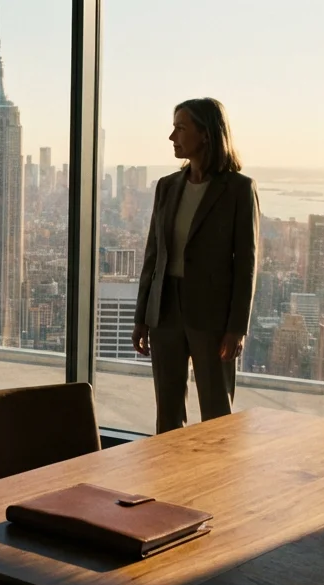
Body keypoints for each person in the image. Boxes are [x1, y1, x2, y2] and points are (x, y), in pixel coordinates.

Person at [131, 97, 259, 433]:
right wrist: (142, 317)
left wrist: (237, 327)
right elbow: (152, 255)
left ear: (205, 134)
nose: (172, 137)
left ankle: (216, 483)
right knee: (168, 414)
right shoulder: (167, 187)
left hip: (212, 316)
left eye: (180, 128)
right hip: (165, 311)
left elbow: (246, 263)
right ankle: (167, 482)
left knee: (217, 414)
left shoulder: (238, 190)